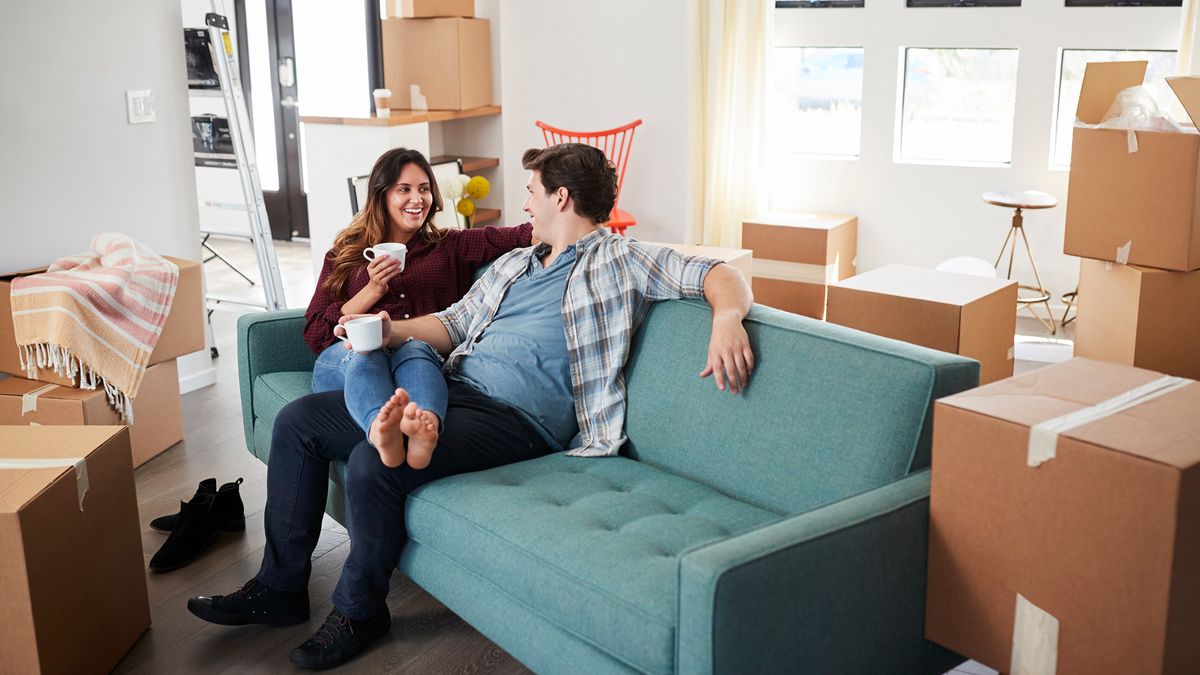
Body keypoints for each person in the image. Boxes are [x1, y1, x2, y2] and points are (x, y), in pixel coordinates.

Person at [188, 143, 755, 670]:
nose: (525, 202)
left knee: (372, 463)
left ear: (560, 198)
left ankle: (362, 611)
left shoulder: (620, 258)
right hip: (457, 388)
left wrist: (727, 318)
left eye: (532, 191)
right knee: (298, 422)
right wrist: (387, 331)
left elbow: (715, 273)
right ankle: (281, 589)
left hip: (520, 419)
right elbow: (454, 323)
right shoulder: (517, 263)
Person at [304, 147, 532, 468]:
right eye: (404, 190)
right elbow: (315, 333)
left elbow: (520, 235)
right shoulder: (345, 254)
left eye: (424, 189)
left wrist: (576, 216)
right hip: (349, 361)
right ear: (382, 195)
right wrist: (372, 290)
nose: (417, 199)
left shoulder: (450, 245)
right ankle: (380, 430)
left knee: (417, 348)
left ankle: (424, 429)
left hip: (416, 363)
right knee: (368, 349)